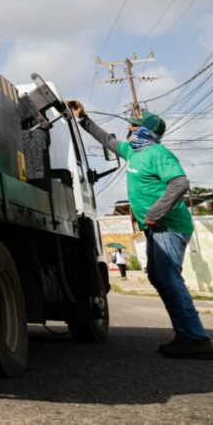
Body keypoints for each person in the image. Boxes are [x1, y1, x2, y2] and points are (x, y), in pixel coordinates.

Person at [68, 101, 212, 359]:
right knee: (160, 278)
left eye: (133, 126)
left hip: (169, 226)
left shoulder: (158, 154)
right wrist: (83, 118)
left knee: (168, 278)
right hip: (155, 229)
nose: (129, 129)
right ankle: (185, 334)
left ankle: (196, 337)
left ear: (145, 132)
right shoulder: (134, 152)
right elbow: (106, 139)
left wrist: (155, 213)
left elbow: (179, 184)